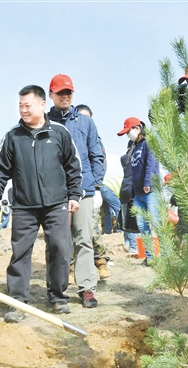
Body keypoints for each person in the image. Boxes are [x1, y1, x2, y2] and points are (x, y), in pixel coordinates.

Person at [0, 85, 82, 323]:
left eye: (27, 105)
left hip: (56, 203)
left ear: (42, 105)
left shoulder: (59, 133)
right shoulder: (12, 136)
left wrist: (74, 194)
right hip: (24, 205)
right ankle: (17, 301)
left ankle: (58, 296)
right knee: (20, 253)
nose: (23, 110)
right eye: (20, 106)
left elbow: (73, 166)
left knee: (60, 248)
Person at [48, 75, 105, 306]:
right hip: (54, 193)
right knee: (57, 242)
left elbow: (96, 154)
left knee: (84, 239)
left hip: (84, 190)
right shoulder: (44, 122)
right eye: (60, 92)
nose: (65, 96)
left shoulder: (86, 123)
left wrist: (95, 184)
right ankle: (56, 290)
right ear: (51, 94)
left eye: (69, 92)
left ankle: (87, 288)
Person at [117, 117, 160, 265]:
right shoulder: (134, 148)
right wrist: (133, 193)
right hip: (138, 194)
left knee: (157, 222)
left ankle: (166, 256)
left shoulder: (148, 144)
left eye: (129, 131)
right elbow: (133, 172)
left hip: (150, 191)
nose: (128, 135)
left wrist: (147, 182)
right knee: (142, 226)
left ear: (137, 128)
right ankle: (150, 257)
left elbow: (151, 164)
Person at [76, 104, 110, 279]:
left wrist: (97, 186)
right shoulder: (71, 135)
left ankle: (101, 262)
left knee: (94, 229)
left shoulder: (95, 139)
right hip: (73, 189)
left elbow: (100, 162)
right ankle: (71, 268)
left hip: (90, 188)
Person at [119, 142, 140, 255]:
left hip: (124, 190)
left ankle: (127, 243)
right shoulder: (135, 158)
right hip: (132, 189)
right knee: (133, 220)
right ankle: (133, 247)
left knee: (126, 219)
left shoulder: (124, 158)